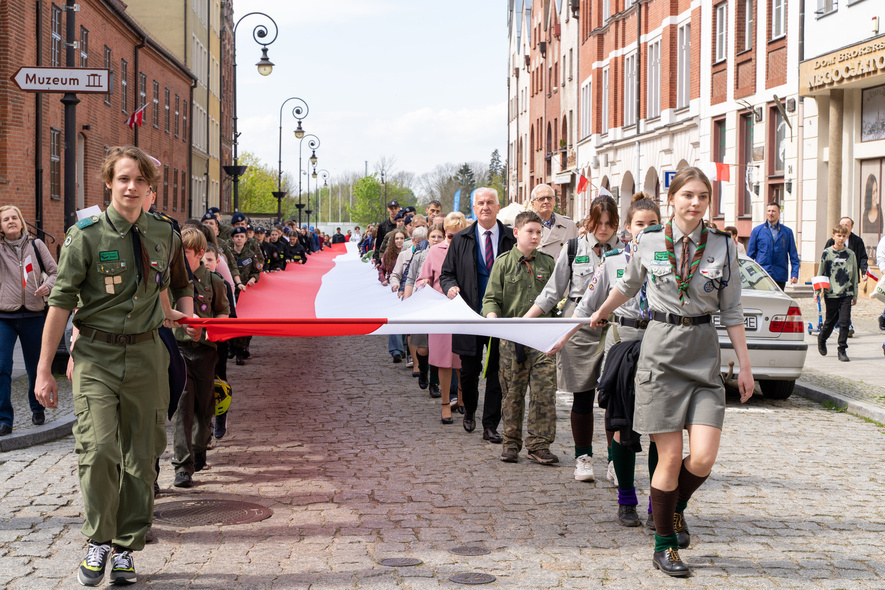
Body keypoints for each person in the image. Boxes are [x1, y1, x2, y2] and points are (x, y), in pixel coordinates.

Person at [34, 146, 194, 586]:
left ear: (150, 187)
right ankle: (99, 540)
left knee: (142, 456)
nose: (131, 187)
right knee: (99, 450)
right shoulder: (85, 236)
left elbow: (178, 283)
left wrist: (181, 314)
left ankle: (126, 548)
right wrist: (44, 370)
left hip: (147, 355)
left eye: (140, 180)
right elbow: (60, 302)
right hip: (96, 357)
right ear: (108, 183)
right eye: (123, 179)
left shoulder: (165, 233)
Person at [588, 167, 753, 577]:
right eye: (688, 195)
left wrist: (745, 366)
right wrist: (600, 312)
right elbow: (627, 285)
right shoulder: (649, 240)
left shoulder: (723, 245)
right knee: (671, 455)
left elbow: (732, 310)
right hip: (660, 355)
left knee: (703, 457)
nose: (695, 203)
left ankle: (675, 508)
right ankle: (665, 546)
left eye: (702, 196)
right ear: (672, 198)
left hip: (703, 356)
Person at [551, 193, 662, 527]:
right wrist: (562, 336)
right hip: (623, 342)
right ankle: (626, 499)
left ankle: (659, 504)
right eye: (639, 224)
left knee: (660, 427)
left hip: (660, 342)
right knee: (622, 423)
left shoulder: (671, 260)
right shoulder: (613, 261)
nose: (646, 229)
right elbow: (587, 305)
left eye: (653, 224)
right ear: (627, 228)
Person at [524, 194, 622, 482]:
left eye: (609, 224)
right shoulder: (573, 248)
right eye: (598, 223)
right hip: (578, 328)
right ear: (589, 221)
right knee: (582, 396)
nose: (603, 229)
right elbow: (552, 292)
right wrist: (525, 322)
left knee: (614, 398)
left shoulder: (626, 251)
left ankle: (616, 461)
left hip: (614, 327)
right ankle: (583, 458)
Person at [440, 187, 516, 443]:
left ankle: (490, 425)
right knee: (469, 371)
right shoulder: (461, 239)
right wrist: (450, 287)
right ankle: (470, 409)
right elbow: (446, 274)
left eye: (490, 202)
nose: (485, 207)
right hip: (469, 315)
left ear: (498, 207)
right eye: (481, 203)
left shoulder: (510, 238)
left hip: (500, 316)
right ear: (474, 208)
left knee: (497, 372)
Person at [481, 211, 557, 464]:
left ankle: (539, 444)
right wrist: (493, 318)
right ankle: (511, 442)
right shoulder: (503, 263)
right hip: (512, 339)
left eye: (539, 232)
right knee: (512, 393)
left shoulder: (548, 263)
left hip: (542, 338)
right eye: (530, 231)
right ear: (516, 233)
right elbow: (491, 298)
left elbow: (556, 298)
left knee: (544, 393)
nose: (535, 236)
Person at [170, 229, 229, 488]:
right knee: (183, 406)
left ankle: (199, 448)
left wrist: (206, 329)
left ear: (199, 253)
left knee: (204, 407)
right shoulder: (171, 281)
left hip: (205, 351)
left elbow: (223, 314)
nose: (179, 257)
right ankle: (182, 466)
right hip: (179, 351)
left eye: (185, 252)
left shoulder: (214, 282)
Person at [0, 205, 57, 435]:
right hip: (4, 317)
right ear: (1, 226)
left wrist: (48, 286)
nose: (11, 221)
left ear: (21, 221)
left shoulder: (36, 245)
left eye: (14, 217)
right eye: (5, 219)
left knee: (36, 366)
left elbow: (55, 272)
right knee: (2, 366)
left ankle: (37, 408)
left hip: (34, 315)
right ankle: (4, 419)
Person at [418, 213, 468, 423]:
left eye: (459, 235)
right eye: (450, 235)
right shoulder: (435, 251)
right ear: (445, 232)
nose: (453, 240)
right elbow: (422, 278)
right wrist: (424, 284)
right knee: (444, 361)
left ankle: (462, 397)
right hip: (440, 312)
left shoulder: (470, 249)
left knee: (464, 360)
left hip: (464, 312)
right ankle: (445, 403)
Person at [404, 224, 446, 395]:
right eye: (433, 236)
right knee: (423, 347)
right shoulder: (420, 256)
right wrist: (407, 302)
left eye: (439, 236)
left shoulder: (448, 255)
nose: (436, 240)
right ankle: (423, 370)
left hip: (440, 305)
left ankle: (434, 383)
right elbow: (410, 278)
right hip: (421, 304)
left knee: (436, 347)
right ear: (428, 239)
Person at [816, 224, 858, 362]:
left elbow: (854, 275)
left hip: (846, 292)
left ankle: (842, 349)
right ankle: (822, 338)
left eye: (844, 236)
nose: (841, 238)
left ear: (847, 237)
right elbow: (821, 272)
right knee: (830, 321)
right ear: (833, 236)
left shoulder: (850, 254)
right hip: (831, 292)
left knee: (844, 322)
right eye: (839, 235)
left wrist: (855, 294)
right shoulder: (827, 253)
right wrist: (817, 291)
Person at [747, 202, 800, 290]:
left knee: (778, 299)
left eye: (773, 211)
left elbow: (793, 255)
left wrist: (794, 274)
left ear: (779, 213)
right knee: (763, 299)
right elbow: (750, 255)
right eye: (769, 211)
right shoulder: (757, 231)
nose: (771, 213)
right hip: (762, 274)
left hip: (780, 274)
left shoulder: (787, 232)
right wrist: (750, 274)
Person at [530, 184, 579, 258]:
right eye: (541, 199)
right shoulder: (526, 226)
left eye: (549, 198)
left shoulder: (569, 225)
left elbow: (578, 253)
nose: (546, 201)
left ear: (554, 201)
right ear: (533, 203)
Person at [824, 216, 868, 283]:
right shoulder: (831, 241)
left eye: (846, 225)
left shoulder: (857, 241)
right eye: (842, 225)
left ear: (851, 227)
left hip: (851, 277)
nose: (844, 227)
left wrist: (864, 272)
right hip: (834, 276)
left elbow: (863, 257)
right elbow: (825, 259)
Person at [373, 200, 401, 266]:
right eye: (391, 208)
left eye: (395, 208)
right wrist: (377, 261)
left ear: (398, 209)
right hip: (386, 259)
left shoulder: (402, 225)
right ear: (388, 209)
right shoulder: (382, 226)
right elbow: (378, 245)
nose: (393, 211)